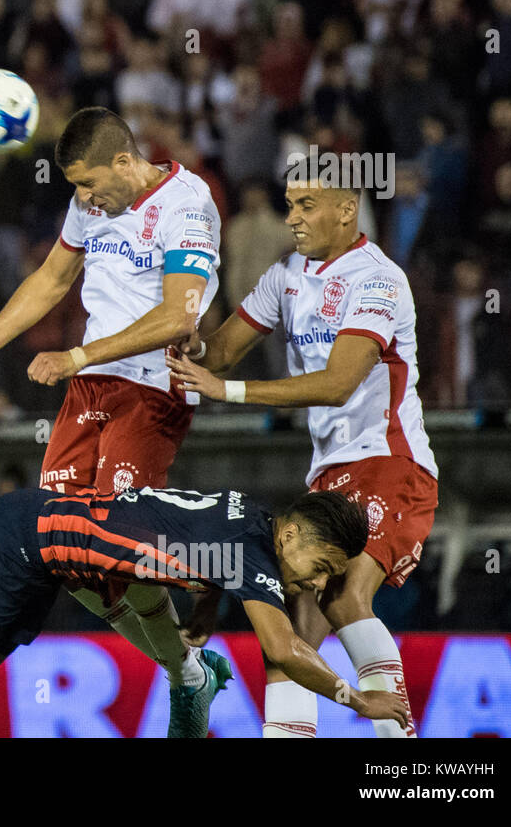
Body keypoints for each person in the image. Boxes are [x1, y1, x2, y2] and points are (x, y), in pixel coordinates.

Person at [0, 107, 222, 728]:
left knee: (120, 549)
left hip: (150, 389)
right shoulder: (92, 205)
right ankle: (191, 672)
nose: (83, 199)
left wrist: (77, 353)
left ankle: (189, 669)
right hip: (88, 389)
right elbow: (52, 279)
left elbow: (179, 318)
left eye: (88, 184)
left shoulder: (188, 206)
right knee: (61, 551)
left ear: (123, 160)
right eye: (75, 189)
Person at [168, 177, 438, 738]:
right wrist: (187, 342)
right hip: (328, 475)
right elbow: (219, 352)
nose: (292, 217)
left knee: (342, 595)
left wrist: (229, 392)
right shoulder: (285, 275)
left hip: (389, 460)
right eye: (290, 204)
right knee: (290, 636)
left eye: (306, 205)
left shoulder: (378, 279)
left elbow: (339, 384)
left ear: (346, 210)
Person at [0, 487, 410, 738]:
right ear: (295, 532)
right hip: (18, 544)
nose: (318, 582)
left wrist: (205, 605)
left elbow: (189, 538)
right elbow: (282, 650)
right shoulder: (256, 554)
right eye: (324, 563)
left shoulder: (248, 520)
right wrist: (357, 700)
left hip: (44, 553)